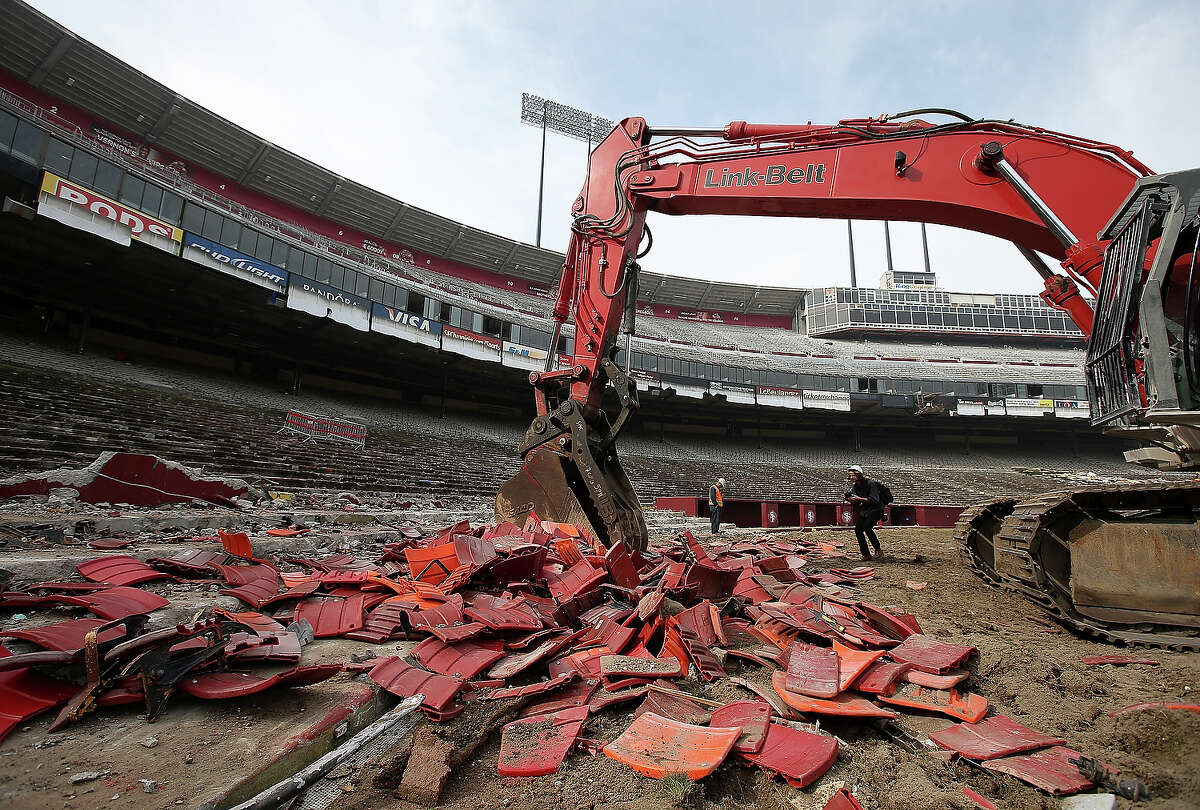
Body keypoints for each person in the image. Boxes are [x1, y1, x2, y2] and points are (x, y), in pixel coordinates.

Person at [845, 465, 884, 560]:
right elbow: (858, 503)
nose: (851, 478)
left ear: (858, 474)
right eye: (850, 476)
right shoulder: (856, 486)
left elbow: (874, 499)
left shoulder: (870, 484)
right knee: (858, 529)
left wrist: (859, 498)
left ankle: (878, 549)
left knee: (867, 527)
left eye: (852, 475)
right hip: (866, 510)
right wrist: (851, 500)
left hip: (876, 509)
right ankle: (866, 554)